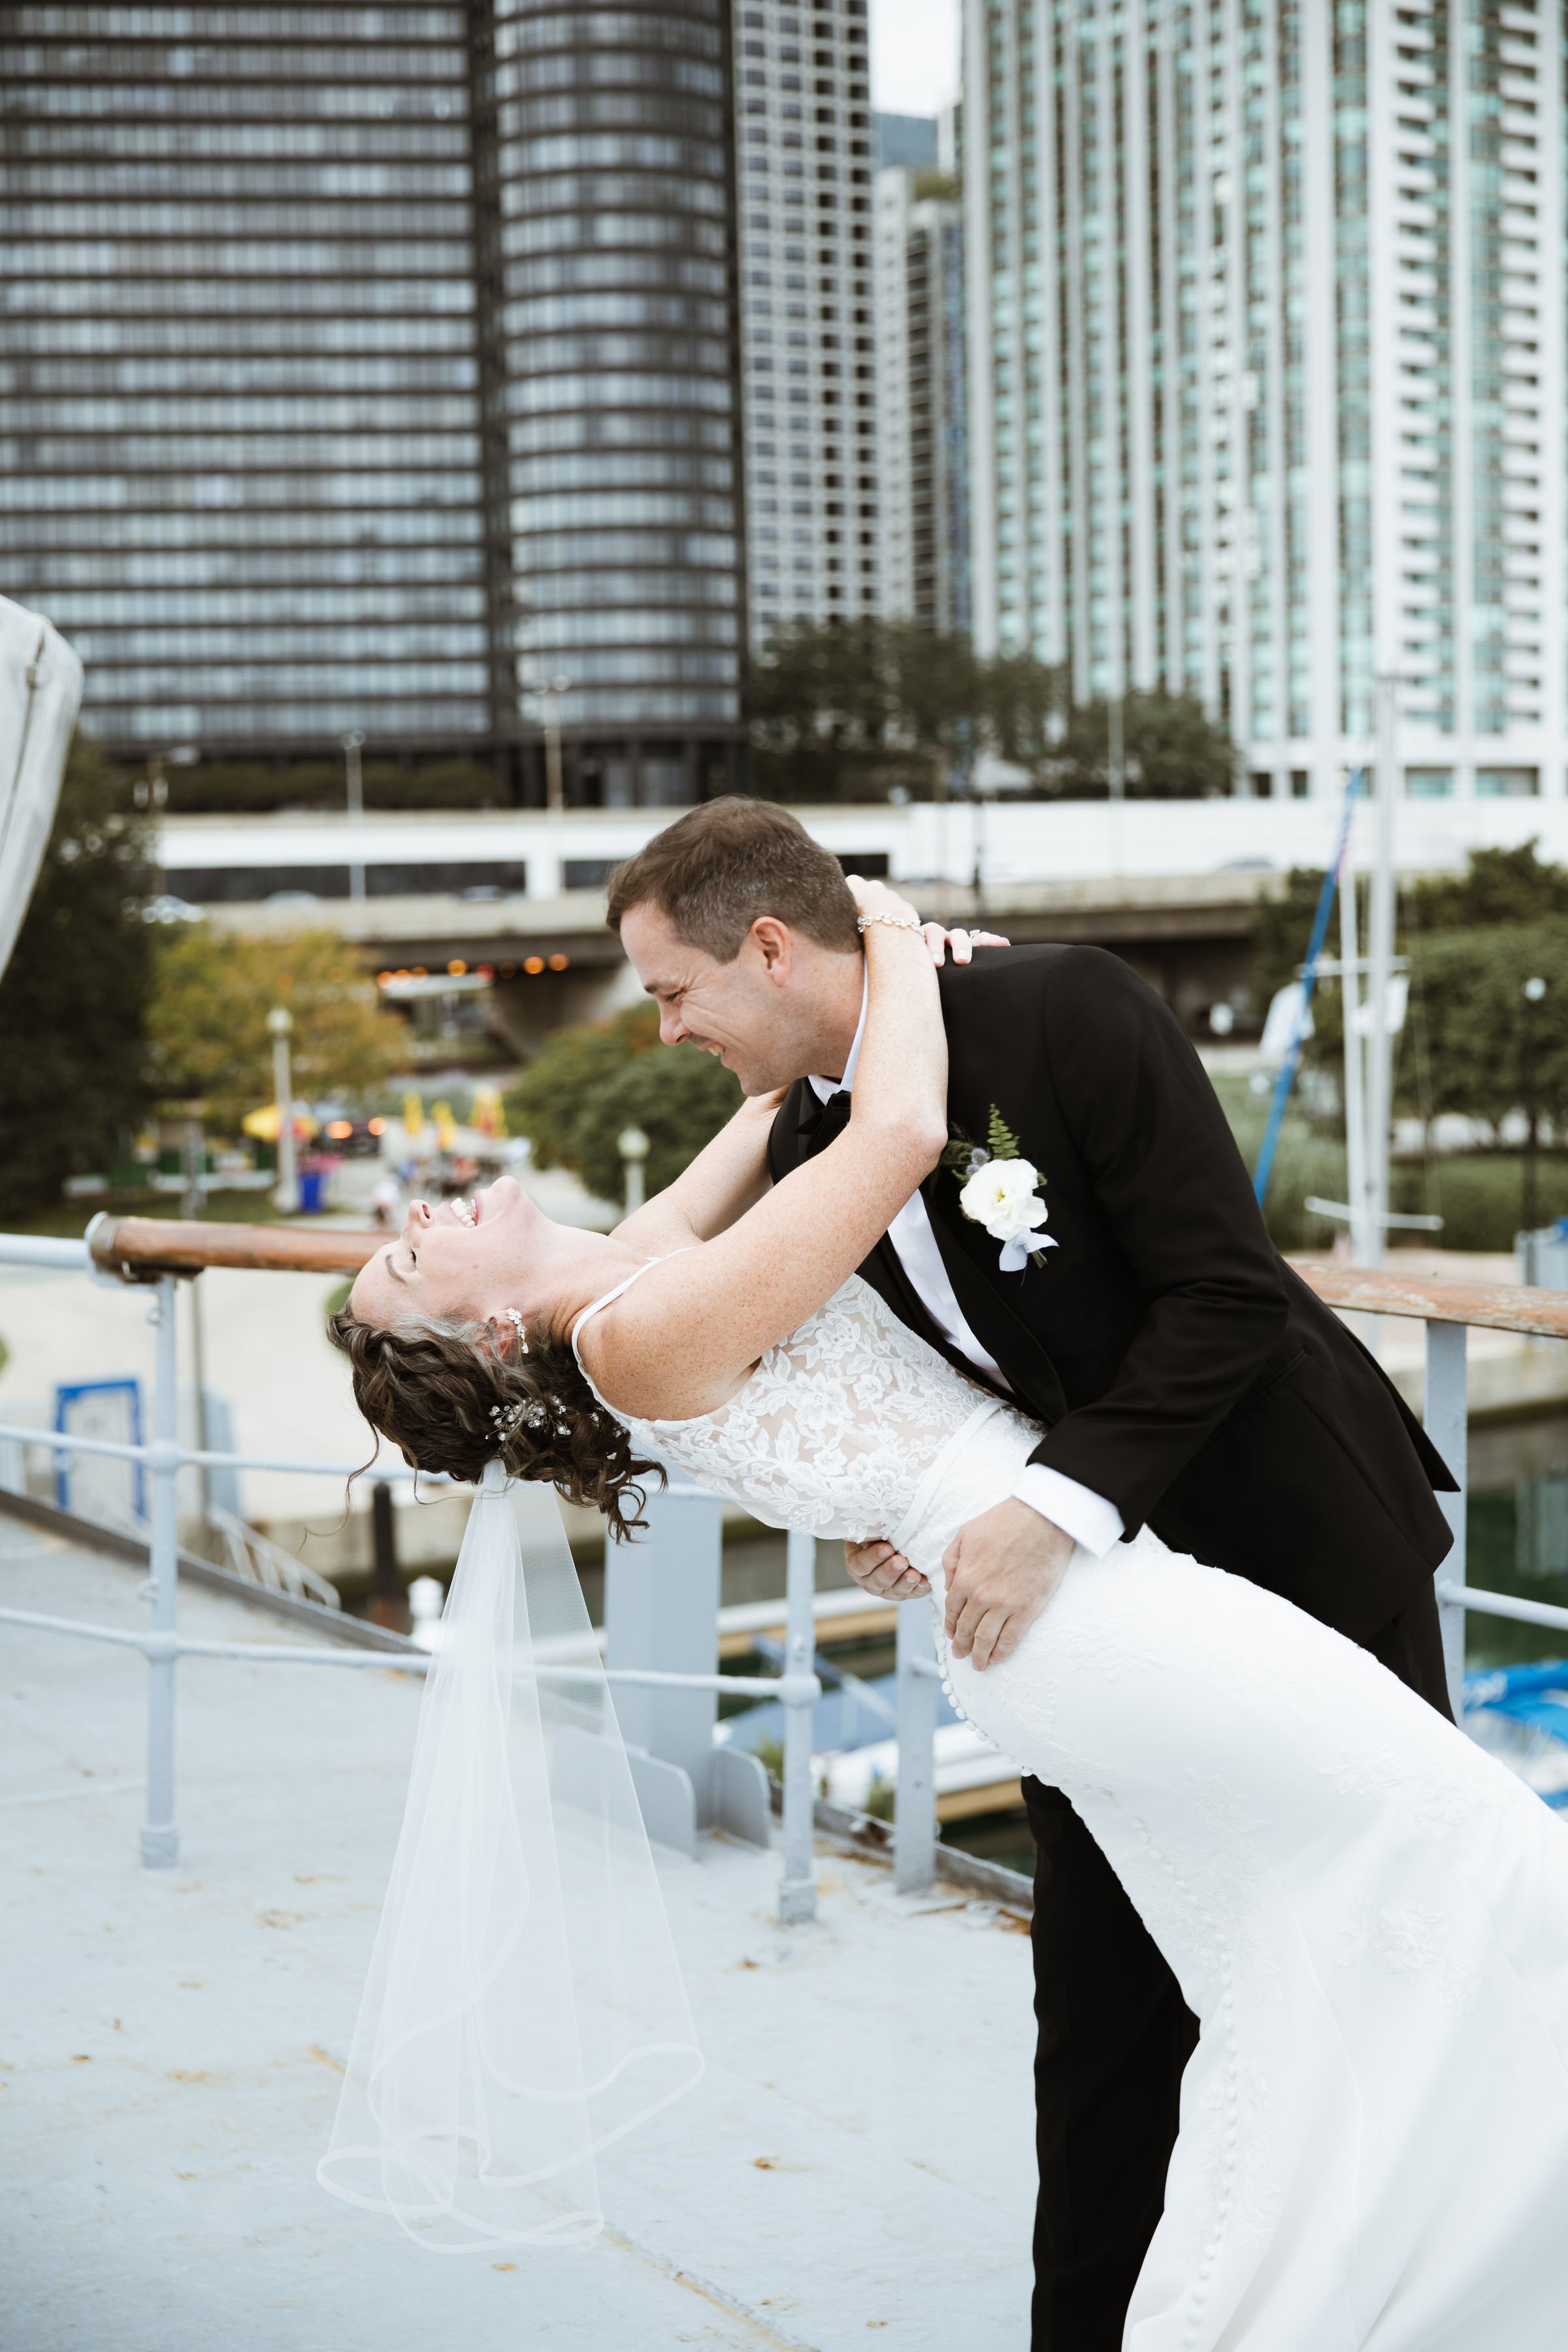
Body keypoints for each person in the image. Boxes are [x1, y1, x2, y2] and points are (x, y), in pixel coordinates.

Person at [333, 815, 1568, 2348]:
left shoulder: (1055, 1013)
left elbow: (1226, 1295)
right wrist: (897, 937)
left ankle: (1437, 2276)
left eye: (671, 993)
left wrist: (1011, 1500)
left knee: (1408, 1917)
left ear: (769, 948)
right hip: (1057, 1612)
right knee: (1116, 2024)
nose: (662, 1031)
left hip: (1287, 1531)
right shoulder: (796, 1174)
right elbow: (887, 1176)